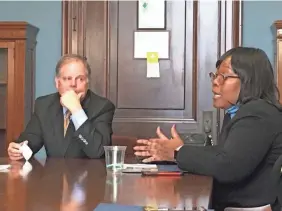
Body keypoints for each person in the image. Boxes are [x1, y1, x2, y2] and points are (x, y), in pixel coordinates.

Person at [134, 47, 282, 211]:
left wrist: (177, 152)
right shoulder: (237, 113)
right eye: (215, 75)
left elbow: (228, 165)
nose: (215, 82)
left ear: (249, 81)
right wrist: (177, 151)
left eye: (224, 76)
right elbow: (221, 153)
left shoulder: (258, 114)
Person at [7, 54, 115, 160]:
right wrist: (18, 149)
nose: (73, 84)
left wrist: (77, 110)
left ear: (87, 82)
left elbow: (98, 151)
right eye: (67, 78)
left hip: (90, 176)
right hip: (53, 176)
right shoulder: (44, 105)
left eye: (80, 79)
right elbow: (30, 140)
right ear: (57, 83)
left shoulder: (103, 107)